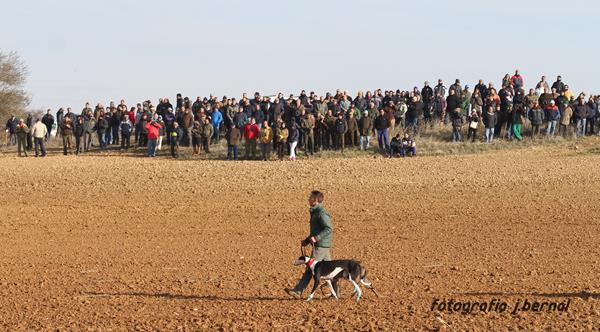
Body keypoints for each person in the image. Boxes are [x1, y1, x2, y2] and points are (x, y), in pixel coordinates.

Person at [285, 190, 333, 299]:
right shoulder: (315, 212)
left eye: (310, 198)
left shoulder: (321, 213)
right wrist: (307, 240)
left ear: (315, 200)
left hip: (320, 245)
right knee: (330, 270)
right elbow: (316, 230)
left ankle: (298, 291)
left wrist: (316, 238)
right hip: (322, 245)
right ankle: (336, 293)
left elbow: (328, 229)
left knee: (311, 268)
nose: (308, 199)